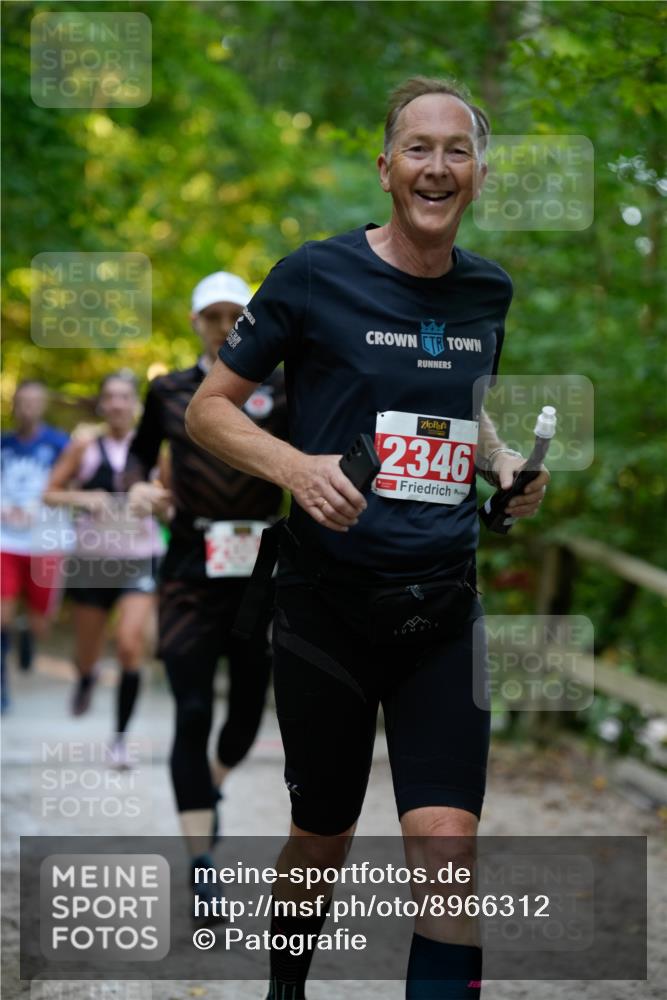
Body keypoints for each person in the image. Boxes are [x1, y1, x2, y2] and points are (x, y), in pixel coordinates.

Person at [186, 77, 550, 999]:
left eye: (455, 150)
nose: (436, 166)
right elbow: (208, 412)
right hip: (325, 608)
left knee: (446, 841)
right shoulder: (315, 274)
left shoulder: (486, 293)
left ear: (477, 174)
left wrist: (504, 468)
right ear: (386, 168)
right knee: (325, 834)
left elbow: (462, 414)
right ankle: (286, 989)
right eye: (417, 149)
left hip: (441, 606)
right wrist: (296, 468)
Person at [123, 271, 287, 914]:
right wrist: (138, 487)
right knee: (192, 711)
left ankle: (209, 788)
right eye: (212, 315)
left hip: (260, 569)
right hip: (190, 566)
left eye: (235, 315)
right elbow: (138, 456)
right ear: (195, 321)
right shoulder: (168, 390)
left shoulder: (281, 386)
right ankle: (201, 861)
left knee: (246, 716)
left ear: (250, 321)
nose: (224, 326)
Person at [43, 372, 164, 764]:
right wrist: (84, 496)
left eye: (124, 397)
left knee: (131, 645)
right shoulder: (84, 447)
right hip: (91, 563)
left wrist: (155, 499)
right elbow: (49, 493)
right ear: (101, 404)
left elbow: (174, 500)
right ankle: (86, 676)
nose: (116, 404)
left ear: (135, 404)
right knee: (86, 653)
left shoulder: (154, 449)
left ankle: (120, 740)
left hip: (138, 558)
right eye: (109, 397)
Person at [1, 380, 69, 711]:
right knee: (0, 615)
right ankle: (2, 687)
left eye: (34, 401)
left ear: (43, 405)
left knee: (43, 620)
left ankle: (28, 631)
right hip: (6, 540)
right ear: (14, 405)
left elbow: (74, 485)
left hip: (46, 540)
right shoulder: (3, 444)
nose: (27, 407)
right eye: (22, 401)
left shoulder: (61, 444)